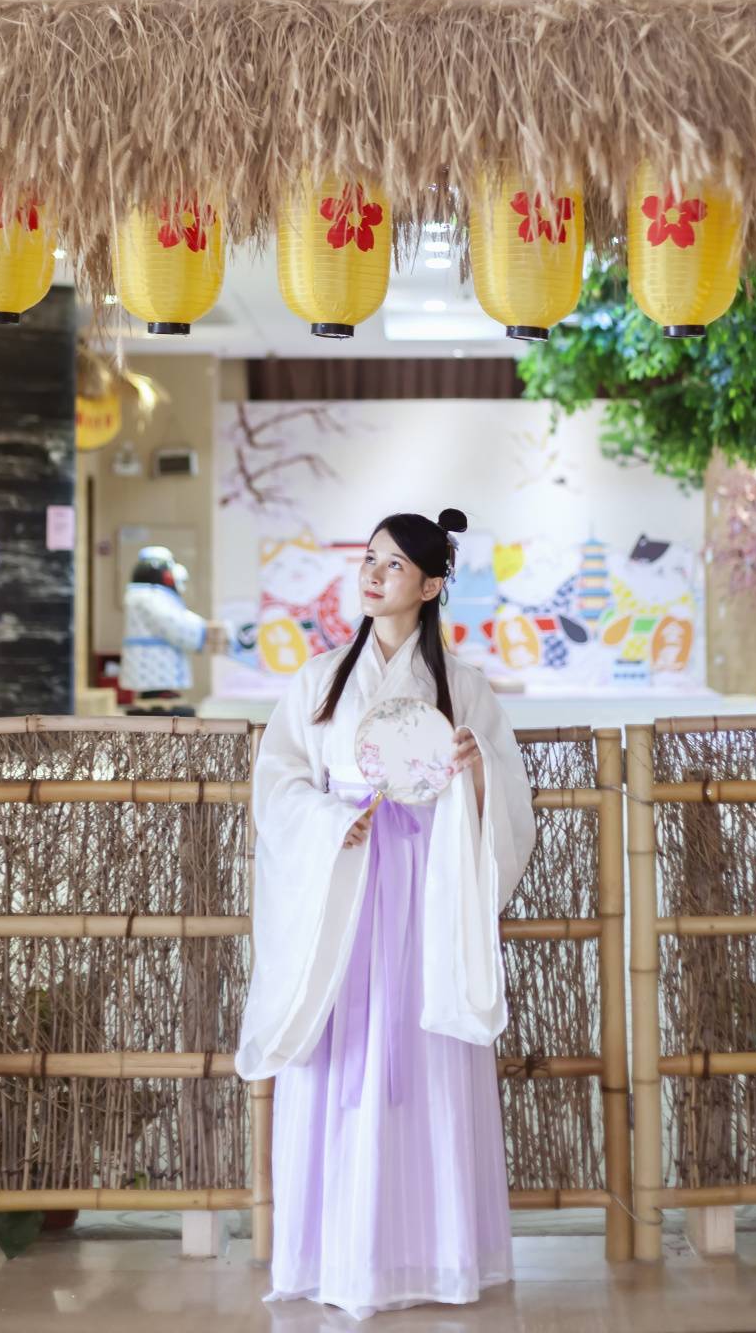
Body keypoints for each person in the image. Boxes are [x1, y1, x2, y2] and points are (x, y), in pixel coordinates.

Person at [236, 507, 536, 1320]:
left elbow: (508, 799)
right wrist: (329, 821)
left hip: (427, 893)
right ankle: (334, 1257)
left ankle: (434, 1256)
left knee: (424, 1060)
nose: (372, 574)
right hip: (344, 889)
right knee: (341, 1066)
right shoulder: (320, 679)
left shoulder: (462, 685)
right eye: (368, 559)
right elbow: (279, 782)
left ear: (431, 585)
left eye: (393, 564)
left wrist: (474, 771)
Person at [117, 545, 207, 700]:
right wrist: (199, 627)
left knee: (156, 678)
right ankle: (155, 692)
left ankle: (159, 691)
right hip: (152, 660)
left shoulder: (147, 596)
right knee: (153, 678)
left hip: (153, 658)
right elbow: (171, 622)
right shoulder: (149, 597)